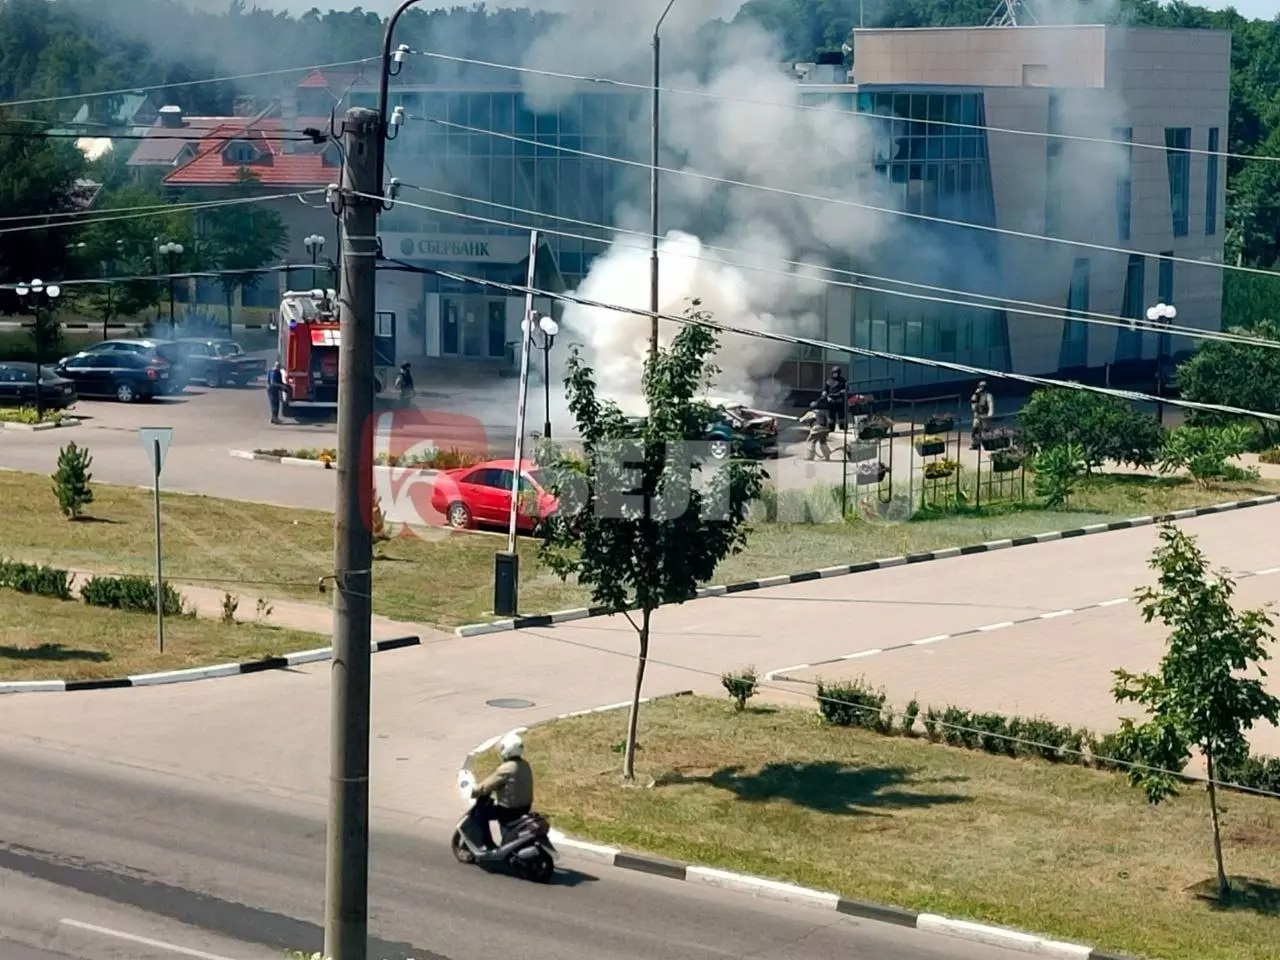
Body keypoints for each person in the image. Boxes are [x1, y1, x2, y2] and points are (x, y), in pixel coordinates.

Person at [469, 731, 534, 849]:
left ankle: (486, 844)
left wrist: (474, 791)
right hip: (525, 807)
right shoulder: (525, 764)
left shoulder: (507, 768)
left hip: (509, 810)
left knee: (480, 813)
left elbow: (487, 785)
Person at [970, 380, 994, 449]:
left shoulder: (988, 396)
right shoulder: (976, 396)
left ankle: (989, 444)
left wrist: (990, 415)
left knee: (986, 431)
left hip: (985, 415)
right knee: (975, 430)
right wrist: (975, 394)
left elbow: (990, 405)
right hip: (977, 415)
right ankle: (975, 444)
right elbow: (973, 404)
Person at [266, 360, 286, 425]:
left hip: (274, 389)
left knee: (276, 403)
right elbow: (273, 383)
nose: (279, 368)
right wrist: (282, 386)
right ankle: (275, 419)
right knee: (274, 404)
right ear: (276, 366)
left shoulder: (276, 372)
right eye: (279, 367)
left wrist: (285, 386)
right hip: (272, 390)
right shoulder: (273, 372)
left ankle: (274, 418)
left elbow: (279, 382)